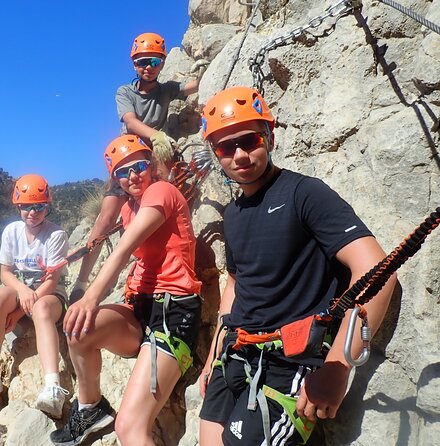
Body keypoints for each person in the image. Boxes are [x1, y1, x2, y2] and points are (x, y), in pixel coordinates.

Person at [197, 86, 397, 445]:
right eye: (226, 147)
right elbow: (235, 285)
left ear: (269, 137)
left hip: (287, 362)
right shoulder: (234, 215)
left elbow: (377, 269)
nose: (240, 155)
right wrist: (214, 356)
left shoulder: (304, 194)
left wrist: (338, 365)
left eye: (250, 140)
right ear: (216, 154)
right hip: (236, 353)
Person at [50, 135, 203, 446]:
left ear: (151, 165)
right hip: (139, 309)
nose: (133, 176)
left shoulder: (162, 191)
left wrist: (90, 296)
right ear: (115, 179)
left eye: (139, 166)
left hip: (173, 314)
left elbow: (122, 250)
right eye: (123, 171)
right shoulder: (130, 207)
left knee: (130, 428)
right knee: (78, 331)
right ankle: (91, 408)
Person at [69, 32, 202, 304]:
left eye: (154, 61)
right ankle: (82, 282)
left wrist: (204, 73)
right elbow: (129, 122)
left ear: (162, 63)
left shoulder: (165, 90)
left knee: (163, 191)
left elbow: (190, 87)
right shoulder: (125, 92)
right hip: (127, 160)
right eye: (142, 62)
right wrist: (156, 135)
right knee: (105, 220)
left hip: (150, 160)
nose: (148, 67)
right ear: (134, 64)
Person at [0, 174, 71, 419]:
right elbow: (5, 273)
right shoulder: (12, 231)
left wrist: (21, 311)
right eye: (25, 207)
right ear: (18, 207)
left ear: (47, 206)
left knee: (41, 308)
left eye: (39, 206)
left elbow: (52, 281)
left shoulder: (56, 236)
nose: (32, 212)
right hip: (24, 290)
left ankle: (52, 386)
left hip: (50, 294)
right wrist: (21, 292)